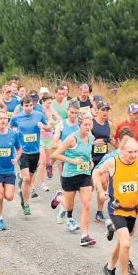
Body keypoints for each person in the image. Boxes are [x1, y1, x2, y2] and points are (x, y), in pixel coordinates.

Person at [95, 137, 138, 275]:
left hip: (133, 209)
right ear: (121, 151)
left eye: (136, 151)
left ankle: (109, 268)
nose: (133, 155)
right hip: (116, 208)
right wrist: (101, 191)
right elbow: (96, 172)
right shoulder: (112, 162)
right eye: (130, 152)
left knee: (122, 242)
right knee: (126, 243)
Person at [51, 115, 97, 246]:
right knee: (69, 206)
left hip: (85, 175)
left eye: (90, 125)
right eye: (85, 125)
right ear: (80, 125)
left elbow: (87, 154)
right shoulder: (72, 138)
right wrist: (73, 161)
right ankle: (59, 198)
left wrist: (91, 161)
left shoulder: (90, 138)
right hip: (70, 175)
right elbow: (56, 154)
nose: (88, 127)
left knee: (86, 204)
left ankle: (84, 236)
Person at [11, 96, 52, 214]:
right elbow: (9, 129)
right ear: (22, 106)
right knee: (27, 178)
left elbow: (49, 128)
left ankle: (22, 191)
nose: (29, 108)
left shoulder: (39, 115)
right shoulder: (16, 117)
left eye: (30, 105)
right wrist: (14, 133)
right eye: (26, 105)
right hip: (22, 152)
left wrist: (43, 127)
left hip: (35, 152)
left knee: (27, 180)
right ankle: (27, 205)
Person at [91, 101, 114, 223]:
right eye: (103, 110)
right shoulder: (91, 123)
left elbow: (107, 137)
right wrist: (93, 142)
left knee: (104, 183)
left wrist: (112, 141)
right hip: (89, 158)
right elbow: (84, 138)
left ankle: (99, 213)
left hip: (103, 159)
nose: (105, 113)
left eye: (107, 110)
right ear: (97, 110)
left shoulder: (108, 124)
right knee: (88, 187)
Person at [38, 94, 61, 190]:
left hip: (49, 138)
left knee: (46, 162)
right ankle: (43, 183)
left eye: (50, 103)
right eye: (47, 103)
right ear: (42, 102)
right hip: (40, 138)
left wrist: (53, 123)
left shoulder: (51, 110)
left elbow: (59, 119)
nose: (49, 105)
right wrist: (43, 125)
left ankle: (48, 166)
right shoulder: (39, 111)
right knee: (42, 162)